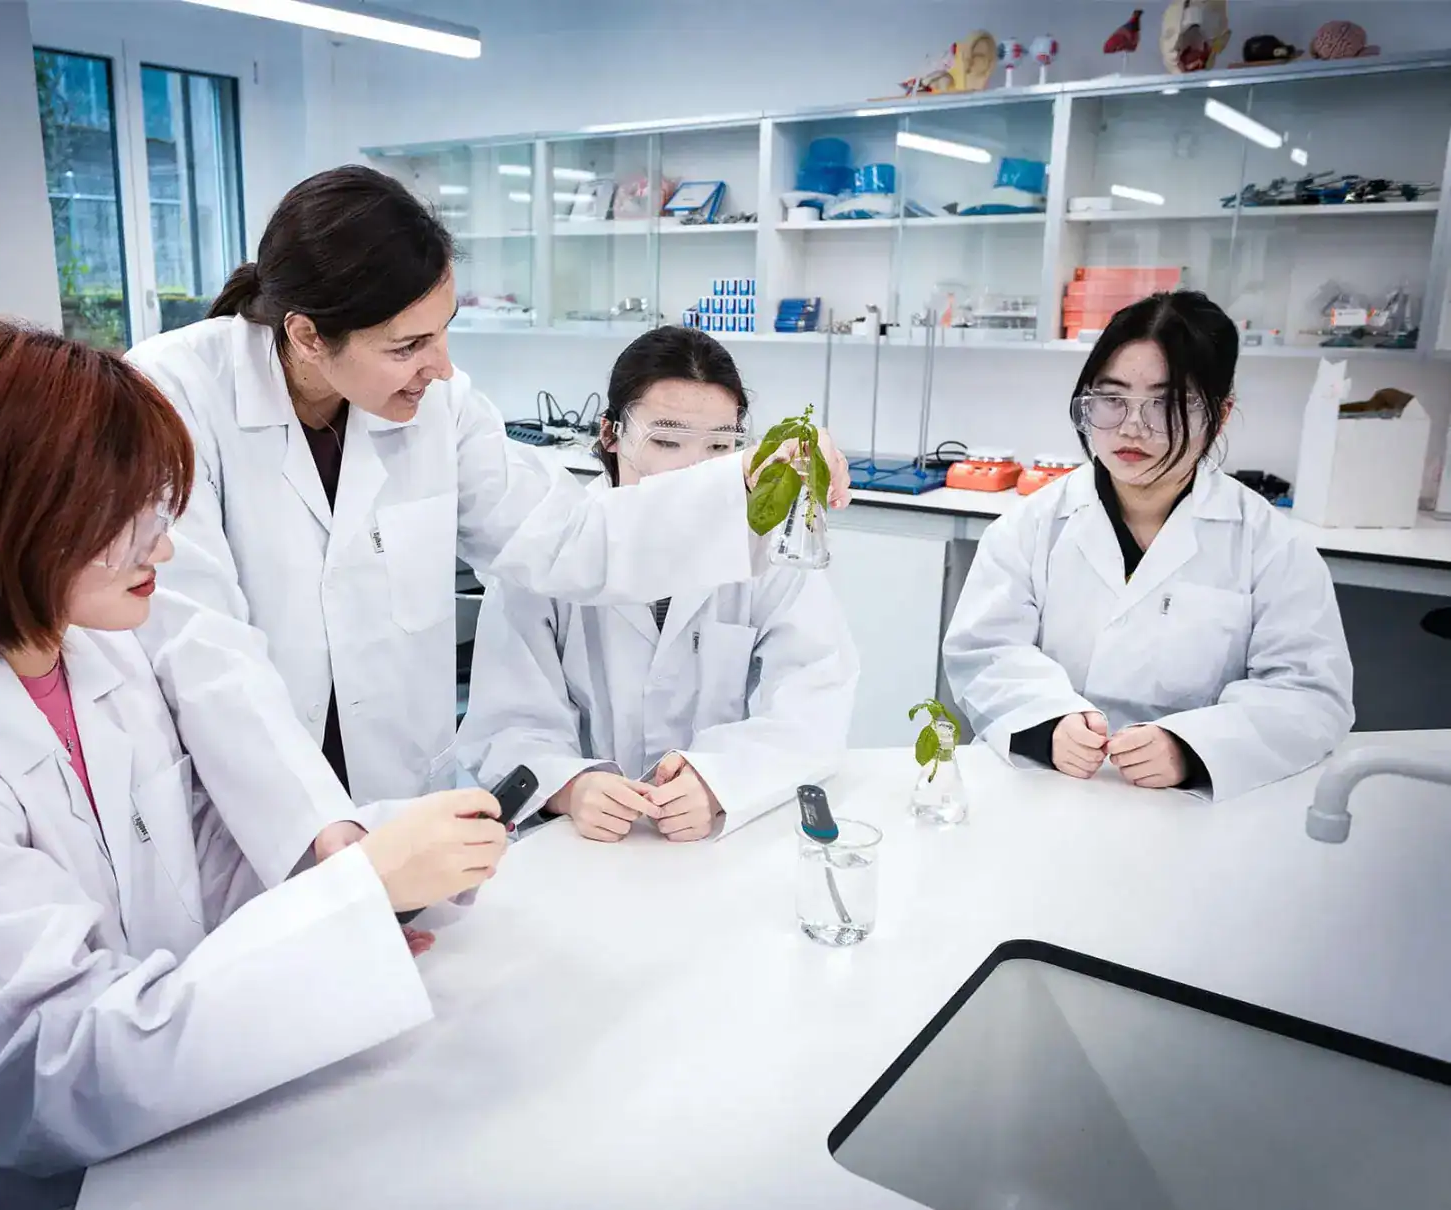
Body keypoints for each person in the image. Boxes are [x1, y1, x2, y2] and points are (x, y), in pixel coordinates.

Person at [0, 323, 507, 1210]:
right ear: (13, 521)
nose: (164, 552)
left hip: (175, 1135)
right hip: (12, 1187)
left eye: (159, 513)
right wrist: (336, 918)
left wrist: (367, 882)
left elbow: (200, 865)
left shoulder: (101, 661)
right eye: (129, 521)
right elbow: (50, 1081)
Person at [125, 165, 851, 882]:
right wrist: (325, 833)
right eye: (407, 346)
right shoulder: (177, 395)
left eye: (443, 332)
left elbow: (570, 537)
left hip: (399, 805)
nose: (439, 368)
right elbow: (203, 648)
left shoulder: (437, 407)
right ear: (309, 336)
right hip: (257, 816)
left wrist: (747, 482)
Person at [941, 291, 1354, 801]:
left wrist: (1193, 747)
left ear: (1220, 416)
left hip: (1194, 807)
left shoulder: (1268, 544)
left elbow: (1310, 694)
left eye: (1166, 403)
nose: (1132, 427)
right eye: (1112, 399)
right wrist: (1048, 723)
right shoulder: (1031, 525)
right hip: (1049, 788)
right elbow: (985, 651)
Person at [457, 327, 858, 841]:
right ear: (610, 434)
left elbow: (813, 697)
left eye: (720, 446)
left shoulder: (765, 550)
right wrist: (570, 786)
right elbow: (506, 720)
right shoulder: (548, 548)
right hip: (579, 845)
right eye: (667, 441)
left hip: (713, 840)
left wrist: (720, 781)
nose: (696, 469)